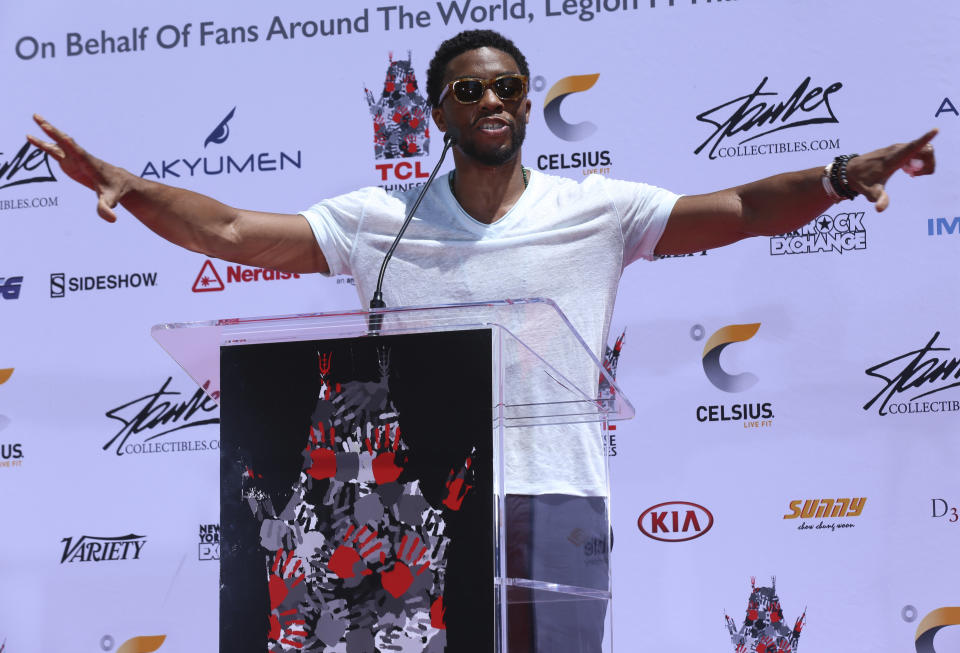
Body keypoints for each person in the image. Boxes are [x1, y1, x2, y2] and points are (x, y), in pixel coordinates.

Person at [29, 28, 935, 653]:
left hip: (557, 495)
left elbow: (737, 210)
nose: (494, 99)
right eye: (471, 89)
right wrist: (132, 186)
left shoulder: (596, 207)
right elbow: (228, 230)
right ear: (437, 110)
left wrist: (837, 174)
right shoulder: (379, 219)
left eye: (509, 86)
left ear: (529, 102)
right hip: (416, 506)